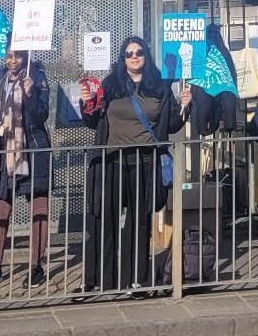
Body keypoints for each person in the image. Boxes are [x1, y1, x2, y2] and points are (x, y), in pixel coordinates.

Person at [78, 38, 189, 293]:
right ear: (123, 58)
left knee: (139, 222)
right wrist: (87, 102)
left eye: (139, 52)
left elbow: (172, 124)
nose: (134, 57)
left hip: (144, 161)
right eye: (129, 53)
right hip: (111, 161)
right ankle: (100, 280)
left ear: (146, 56)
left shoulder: (159, 86)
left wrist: (185, 105)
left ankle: (135, 279)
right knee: (103, 219)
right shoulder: (110, 84)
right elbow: (93, 121)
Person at [0, 49, 51, 288]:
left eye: (17, 56)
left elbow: (40, 115)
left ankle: (36, 266)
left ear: (25, 57)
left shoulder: (37, 77)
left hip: (31, 150)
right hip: (1, 153)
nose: (13, 61)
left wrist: (30, 93)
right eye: (9, 56)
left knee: (38, 208)